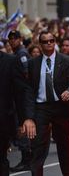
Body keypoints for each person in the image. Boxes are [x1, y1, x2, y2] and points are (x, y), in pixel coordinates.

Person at [22, 30, 69, 176]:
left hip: (60, 106)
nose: (49, 43)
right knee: (37, 147)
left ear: (55, 42)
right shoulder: (32, 63)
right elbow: (28, 90)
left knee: (65, 146)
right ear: (40, 44)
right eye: (45, 41)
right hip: (41, 108)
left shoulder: (65, 60)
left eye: (51, 40)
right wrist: (28, 116)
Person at [0, 51, 33, 176]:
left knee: (1, 159)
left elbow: (22, 91)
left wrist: (25, 119)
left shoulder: (10, 61)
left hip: (3, 121)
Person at [7, 30, 32, 172]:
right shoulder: (16, 54)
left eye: (14, 39)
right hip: (17, 95)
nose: (12, 41)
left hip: (22, 96)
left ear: (20, 39)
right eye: (10, 39)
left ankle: (26, 158)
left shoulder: (21, 55)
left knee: (21, 126)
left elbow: (26, 74)